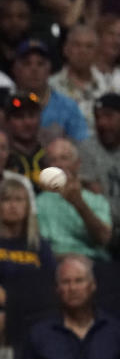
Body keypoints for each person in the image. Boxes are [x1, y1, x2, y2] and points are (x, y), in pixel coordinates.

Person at [0, 178, 56, 337]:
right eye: (6, 200)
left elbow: (48, 286)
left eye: (19, 200)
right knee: (8, 320)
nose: (13, 205)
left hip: (35, 313)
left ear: (27, 206)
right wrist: (18, 310)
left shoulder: (39, 245)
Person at [37, 138, 112, 260]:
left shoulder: (97, 200)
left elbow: (103, 238)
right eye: (53, 160)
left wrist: (79, 204)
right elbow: (38, 245)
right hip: (54, 263)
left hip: (93, 262)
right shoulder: (39, 203)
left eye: (64, 158)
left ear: (77, 163)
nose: (59, 165)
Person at [11, 39, 89, 142]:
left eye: (40, 64)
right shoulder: (5, 103)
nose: (34, 69)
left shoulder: (67, 106)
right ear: (15, 69)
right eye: (27, 63)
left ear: (49, 69)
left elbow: (82, 144)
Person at [49, 25, 110, 130]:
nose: (83, 51)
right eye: (77, 45)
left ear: (97, 52)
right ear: (66, 49)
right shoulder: (50, 87)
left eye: (89, 46)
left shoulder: (109, 87)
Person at [79, 93, 120, 250]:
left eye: (109, 116)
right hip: (104, 231)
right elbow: (96, 199)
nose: (102, 123)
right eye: (98, 117)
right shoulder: (87, 149)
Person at [5, 91, 45, 188]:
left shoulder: (49, 156)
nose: (27, 122)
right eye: (19, 117)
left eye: (31, 116)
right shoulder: (3, 158)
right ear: (7, 122)